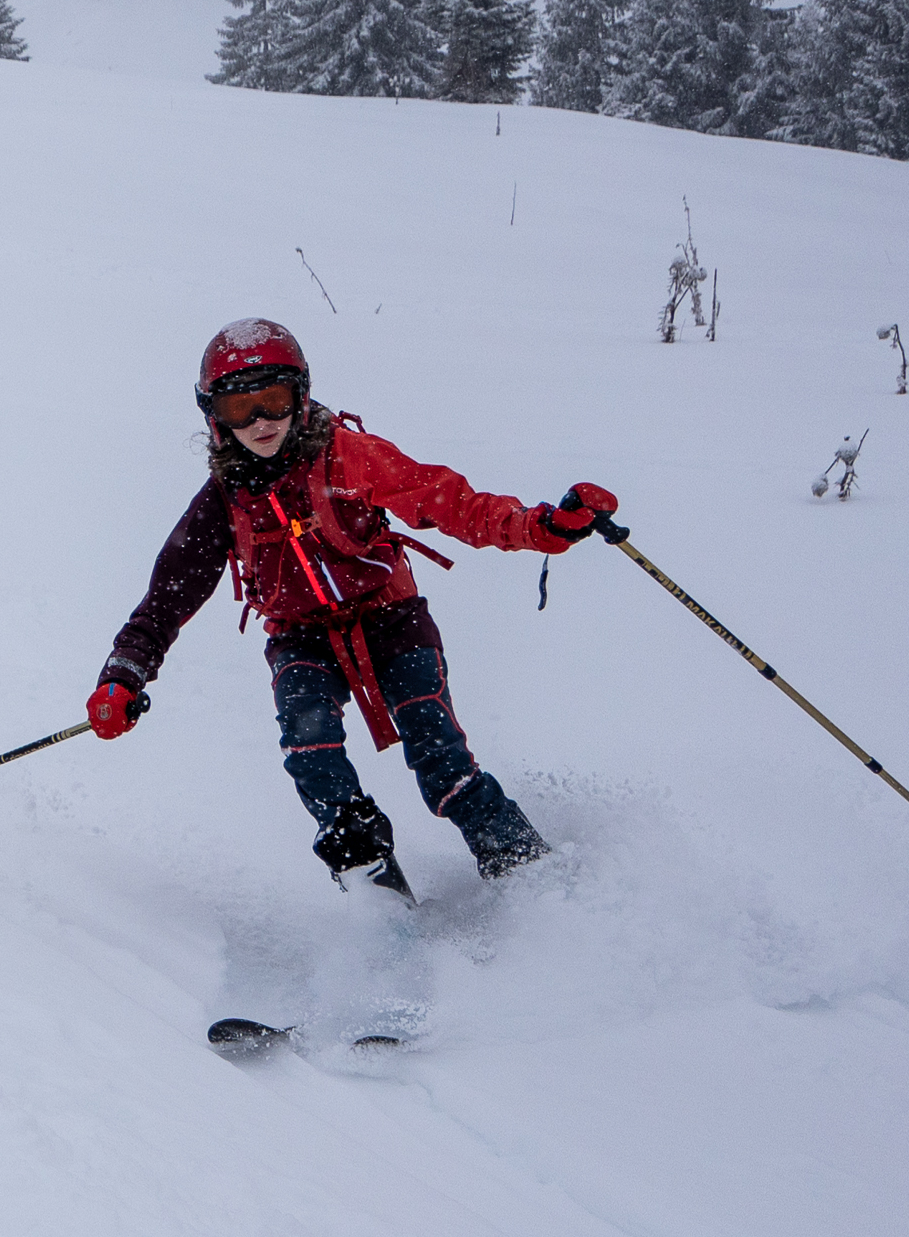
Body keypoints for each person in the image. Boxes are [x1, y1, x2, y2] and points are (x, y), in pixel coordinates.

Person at [85, 318, 617, 886]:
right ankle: (379, 897)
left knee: (438, 755)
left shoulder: (348, 457)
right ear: (214, 416)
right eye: (242, 409)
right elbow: (170, 593)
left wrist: (540, 527)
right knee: (310, 749)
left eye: (275, 399)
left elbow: (447, 500)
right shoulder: (224, 501)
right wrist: (125, 674)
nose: (263, 422)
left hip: (391, 618)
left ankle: (529, 878)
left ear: (302, 394)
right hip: (300, 635)